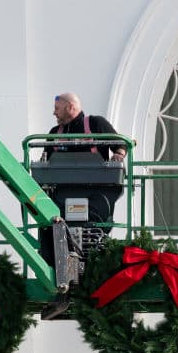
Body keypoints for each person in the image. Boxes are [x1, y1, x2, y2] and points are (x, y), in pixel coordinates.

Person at [38, 93, 127, 319]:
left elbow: (120, 145)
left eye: (57, 108)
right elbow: (44, 161)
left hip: (95, 194)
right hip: (62, 196)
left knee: (87, 232)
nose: (53, 112)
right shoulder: (53, 134)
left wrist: (118, 155)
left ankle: (72, 284)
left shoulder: (95, 124)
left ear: (70, 107)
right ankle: (61, 285)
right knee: (50, 229)